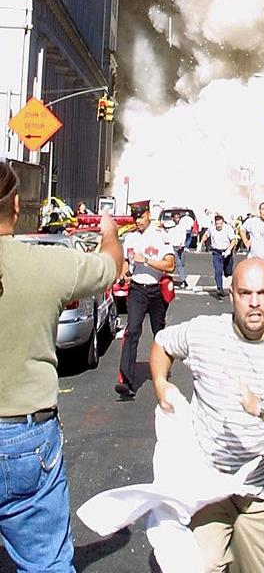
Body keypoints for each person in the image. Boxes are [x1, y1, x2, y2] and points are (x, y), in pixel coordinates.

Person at [150, 257, 264, 573]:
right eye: (245, 293)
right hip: (206, 487)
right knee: (194, 566)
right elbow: (163, 344)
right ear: (232, 295)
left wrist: (261, 408)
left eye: (263, 293)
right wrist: (162, 385)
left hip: (261, 493)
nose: (255, 303)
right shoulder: (204, 332)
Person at [0, 161, 123, 572]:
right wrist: (109, 232)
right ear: (16, 206)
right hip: (24, 434)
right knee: (46, 563)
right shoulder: (48, 265)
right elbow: (109, 268)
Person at [115, 200, 176, 400]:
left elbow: (170, 265)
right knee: (132, 331)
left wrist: (147, 261)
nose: (137, 220)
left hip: (156, 290)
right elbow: (127, 262)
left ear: (148, 214)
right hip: (137, 290)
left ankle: (163, 373)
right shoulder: (131, 238)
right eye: (135, 217)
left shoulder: (160, 236)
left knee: (159, 333)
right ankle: (126, 381)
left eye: (140, 216)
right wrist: (123, 274)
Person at [209, 213, 237, 297]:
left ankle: (226, 272)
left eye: (220, 224)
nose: (219, 226)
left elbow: (233, 240)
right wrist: (200, 243)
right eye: (217, 224)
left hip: (227, 252)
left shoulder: (228, 229)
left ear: (223, 223)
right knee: (218, 270)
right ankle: (219, 288)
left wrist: (229, 250)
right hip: (216, 252)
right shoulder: (211, 229)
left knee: (228, 271)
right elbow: (206, 235)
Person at [168, 210, 189, 289]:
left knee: (182, 263)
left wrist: (182, 243)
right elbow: (169, 237)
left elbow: (183, 235)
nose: (177, 219)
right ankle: (184, 280)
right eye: (176, 217)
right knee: (178, 264)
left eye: (178, 217)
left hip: (180, 246)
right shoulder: (170, 226)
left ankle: (183, 278)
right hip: (173, 247)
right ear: (172, 218)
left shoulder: (182, 226)